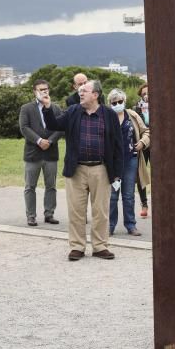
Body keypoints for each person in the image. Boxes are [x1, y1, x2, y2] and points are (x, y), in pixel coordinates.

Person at [40, 79, 122, 261]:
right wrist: (47, 107)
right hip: (76, 169)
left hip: (101, 169)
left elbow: (118, 145)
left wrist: (117, 173)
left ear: (96, 95)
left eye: (85, 90)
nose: (80, 93)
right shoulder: (73, 111)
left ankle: (100, 246)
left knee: (100, 211)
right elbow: (54, 125)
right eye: (80, 90)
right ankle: (77, 246)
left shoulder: (109, 115)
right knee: (76, 211)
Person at [19, 79, 63, 226]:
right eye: (41, 89)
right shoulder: (26, 108)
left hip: (50, 153)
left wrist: (49, 141)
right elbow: (24, 128)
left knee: (51, 186)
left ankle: (49, 214)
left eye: (46, 89)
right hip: (33, 153)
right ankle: (31, 215)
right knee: (30, 186)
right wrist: (39, 140)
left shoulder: (56, 108)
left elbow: (61, 128)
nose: (44, 92)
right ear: (34, 92)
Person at [108, 88, 150, 237]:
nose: (118, 104)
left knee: (128, 195)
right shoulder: (106, 116)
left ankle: (131, 225)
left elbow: (146, 131)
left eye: (120, 101)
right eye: (114, 102)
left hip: (131, 160)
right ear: (110, 103)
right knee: (112, 195)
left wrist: (142, 143)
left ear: (124, 101)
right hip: (113, 163)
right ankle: (110, 226)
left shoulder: (132, 115)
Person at [133, 83, 150, 217]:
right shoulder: (136, 109)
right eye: (144, 94)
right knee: (141, 174)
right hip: (143, 143)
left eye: (148, 93)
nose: (146, 96)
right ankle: (144, 204)